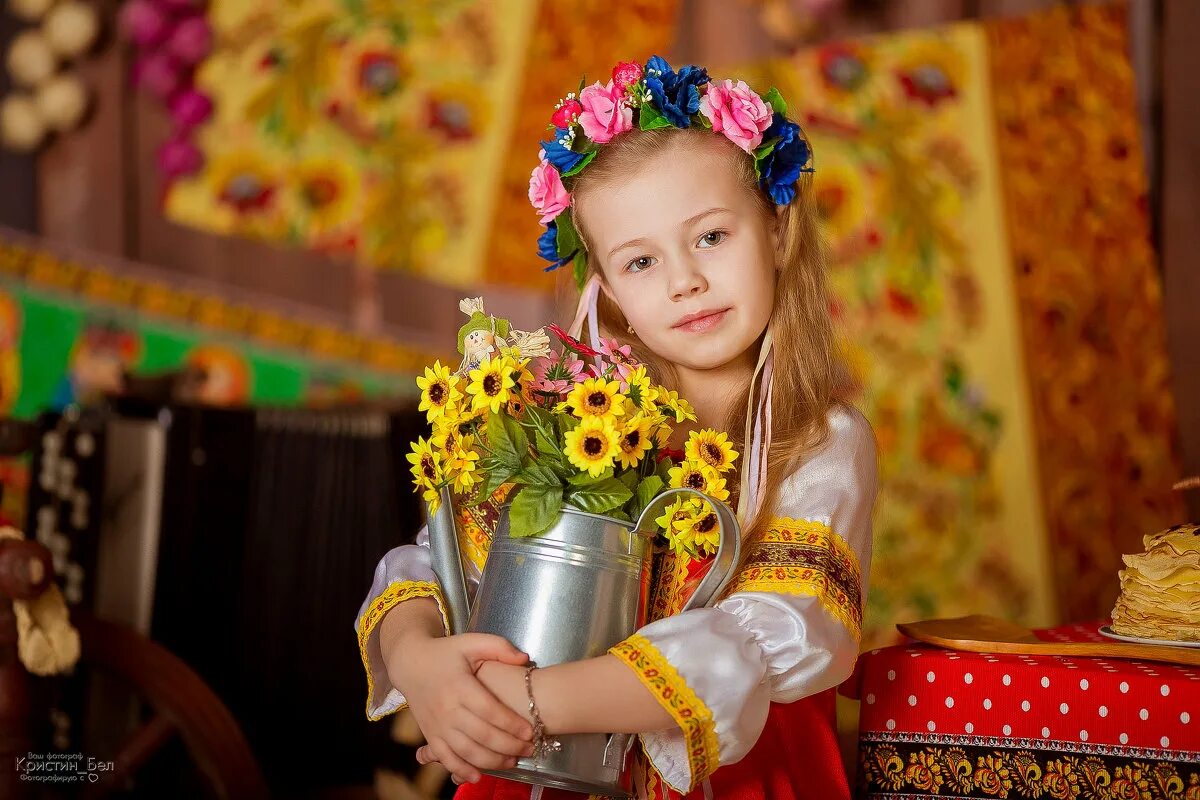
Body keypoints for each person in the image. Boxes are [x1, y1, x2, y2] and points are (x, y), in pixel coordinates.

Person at [354, 56, 878, 800]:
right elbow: (435, 569)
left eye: (710, 238)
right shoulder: (576, 420)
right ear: (610, 291)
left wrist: (517, 708)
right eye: (640, 260)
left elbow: (768, 636)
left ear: (778, 231)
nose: (683, 281)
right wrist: (420, 666)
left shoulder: (820, 441)